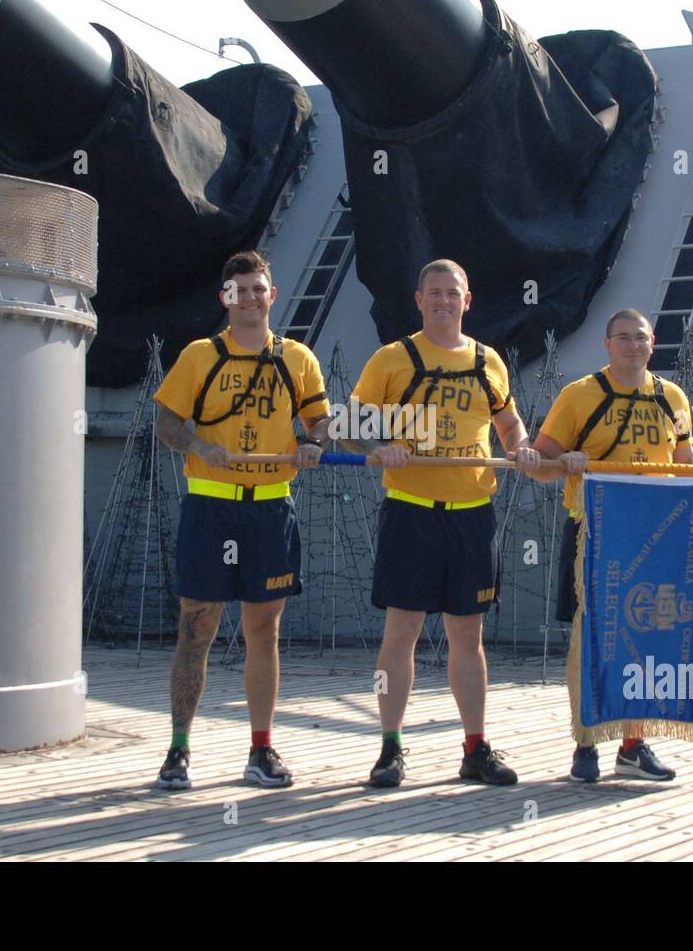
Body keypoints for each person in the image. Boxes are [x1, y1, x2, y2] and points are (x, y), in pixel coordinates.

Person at [346, 259, 541, 787]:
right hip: (411, 512)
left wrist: (519, 447)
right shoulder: (393, 359)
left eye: (452, 293)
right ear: (418, 299)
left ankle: (475, 748)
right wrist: (378, 445)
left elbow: (507, 419)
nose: (442, 301)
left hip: (472, 516)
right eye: (433, 293)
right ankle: (390, 749)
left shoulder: (488, 361)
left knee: (467, 635)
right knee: (401, 632)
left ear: (467, 300)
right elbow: (350, 426)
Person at [526, 308, 693, 783]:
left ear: (652, 343)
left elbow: (685, 462)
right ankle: (585, 742)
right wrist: (566, 462)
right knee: (591, 638)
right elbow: (538, 464)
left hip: (657, 533)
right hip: (595, 531)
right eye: (623, 338)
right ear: (607, 344)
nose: (633, 346)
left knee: (646, 634)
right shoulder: (579, 395)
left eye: (640, 338)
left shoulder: (672, 397)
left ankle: (633, 743)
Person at [151, 250, 331, 790]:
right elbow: (166, 422)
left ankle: (261, 750)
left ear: (272, 296)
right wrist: (199, 444)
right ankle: (178, 750)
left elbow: (321, 422)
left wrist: (312, 443)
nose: (250, 298)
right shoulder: (199, 356)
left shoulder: (297, 358)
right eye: (239, 289)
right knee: (196, 627)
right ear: (225, 298)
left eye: (259, 289)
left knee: (264, 630)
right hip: (211, 507)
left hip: (271, 509)